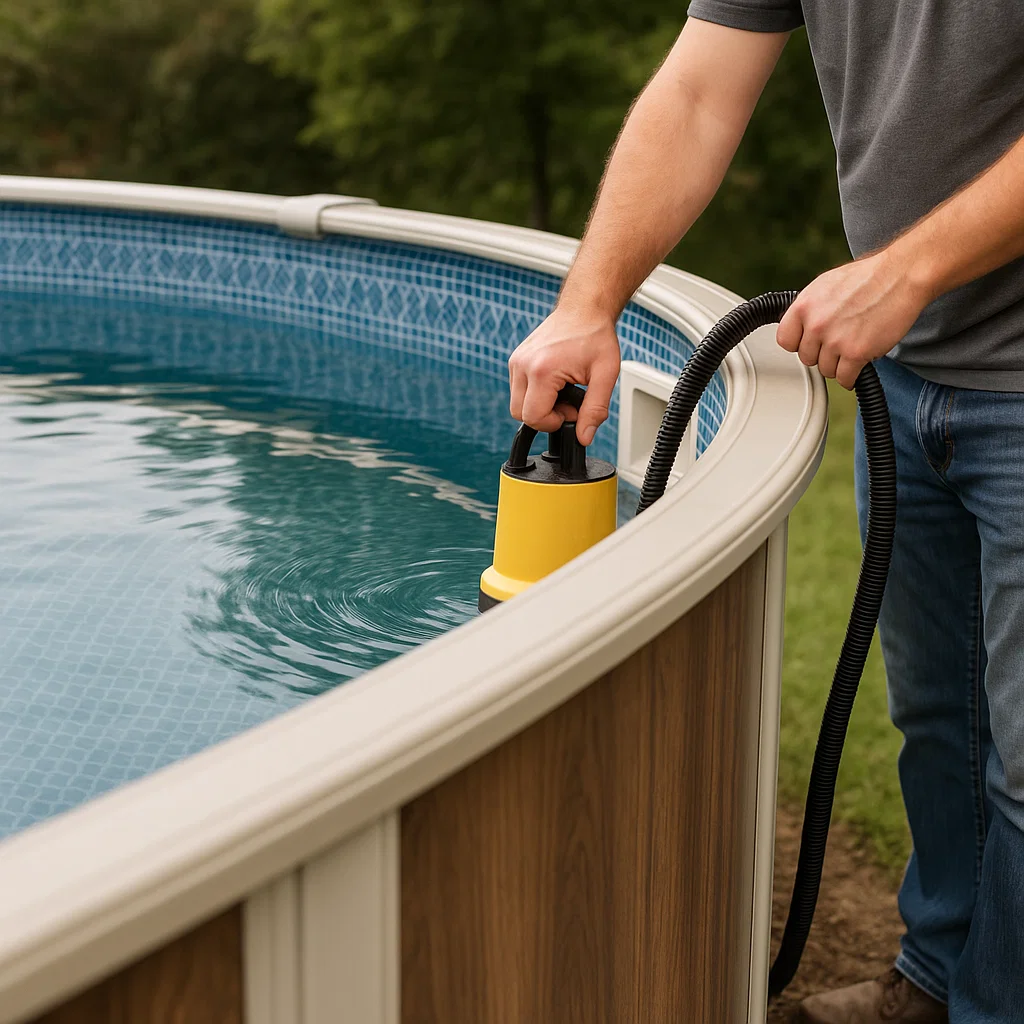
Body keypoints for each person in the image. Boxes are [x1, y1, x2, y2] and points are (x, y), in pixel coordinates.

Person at [506, 4, 1024, 1023]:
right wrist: (588, 302)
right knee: (943, 721)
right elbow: (698, 95)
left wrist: (904, 269)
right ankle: (935, 973)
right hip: (912, 378)